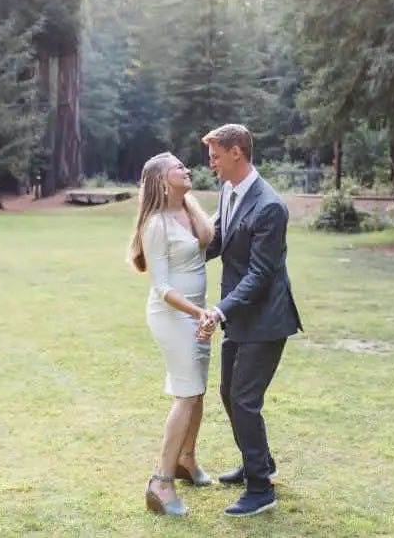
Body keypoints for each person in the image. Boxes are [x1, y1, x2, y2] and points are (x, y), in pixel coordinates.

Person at [195, 123, 303, 518]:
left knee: (244, 399)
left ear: (237, 151)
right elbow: (218, 239)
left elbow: (260, 274)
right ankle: (260, 463)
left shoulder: (270, 206)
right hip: (241, 315)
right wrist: (181, 258)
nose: (212, 163)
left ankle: (261, 489)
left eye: (216, 155)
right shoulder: (228, 191)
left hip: (267, 319)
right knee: (229, 393)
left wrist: (219, 309)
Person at [129, 152, 219, 517]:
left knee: (197, 392)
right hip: (172, 316)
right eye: (179, 168)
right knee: (187, 393)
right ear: (162, 181)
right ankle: (160, 482)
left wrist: (203, 312)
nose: (187, 170)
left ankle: (186, 460)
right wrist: (199, 313)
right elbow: (161, 286)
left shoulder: (191, 210)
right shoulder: (155, 225)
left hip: (200, 314)